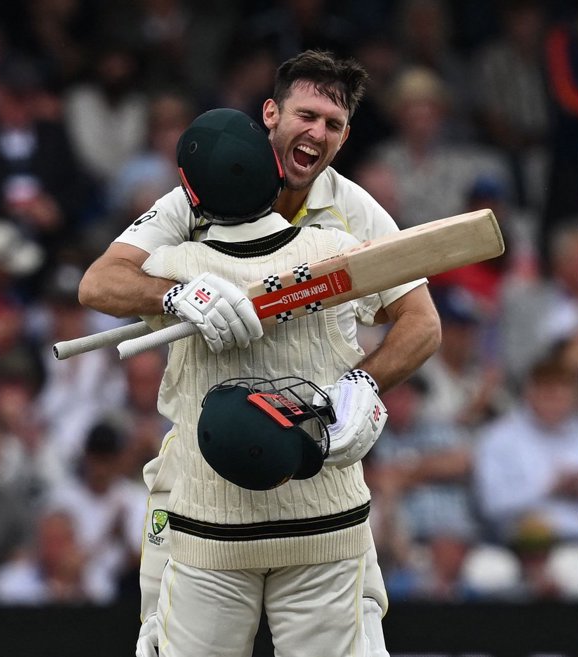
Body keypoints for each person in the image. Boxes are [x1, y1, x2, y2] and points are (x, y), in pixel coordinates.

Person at [76, 51, 438, 655]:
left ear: (345, 137)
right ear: (271, 113)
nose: (317, 133)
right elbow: (98, 283)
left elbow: (421, 323)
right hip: (199, 481)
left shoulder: (352, 211)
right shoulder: (204, 188)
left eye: (333, 124)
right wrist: (176, 294)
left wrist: (364, 386)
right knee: (155, 638)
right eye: (307, 114)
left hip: (312, 484)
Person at [141, 107, 390, 655]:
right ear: (277, 174)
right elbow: (412, 314)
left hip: (211, 531)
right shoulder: (334, 251)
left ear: (193, 200)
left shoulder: (170, 264)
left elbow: (102, 284)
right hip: (324, 520)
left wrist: (171, 291)